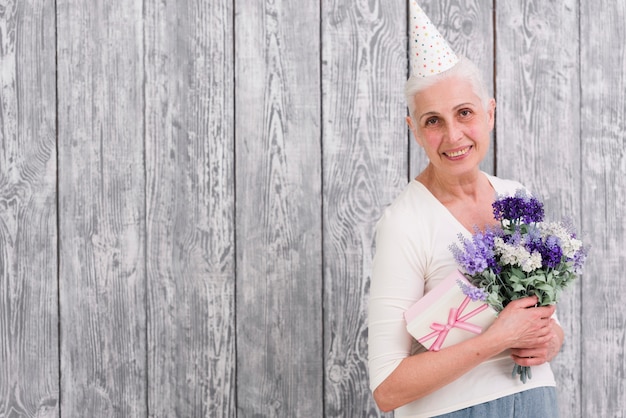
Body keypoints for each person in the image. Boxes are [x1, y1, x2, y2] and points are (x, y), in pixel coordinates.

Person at [367, 3, 564, 417]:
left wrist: (551, 339)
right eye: (433, 121)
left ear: (490, 113)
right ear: (415, 132)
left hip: (537, 404)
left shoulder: (516, 198)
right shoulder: (405, 224)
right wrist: (495, 339)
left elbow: (545, 319)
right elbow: (386, 389)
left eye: (464, 113)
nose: (453, 135)